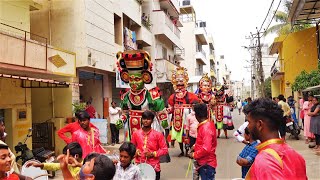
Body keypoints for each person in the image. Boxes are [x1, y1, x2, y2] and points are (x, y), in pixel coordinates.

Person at [243, 98, 307, 179]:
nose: (247, 126)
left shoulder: (265, 160)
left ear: (259, 124)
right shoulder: (295, 155)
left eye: (249, 122)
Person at [117, 50, 168, 141]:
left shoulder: (152, 94)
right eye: (131, 79)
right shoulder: (126, 96)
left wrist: (163, 120)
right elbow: (125, 113)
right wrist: (121, 120)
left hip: (149, 125)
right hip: (131, 126)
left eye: (137, 79)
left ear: (145, 78)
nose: (133, 83)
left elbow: (160, 111)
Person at [167, 67, 199, 157]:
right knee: (179, 136)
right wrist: (168, 111)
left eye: (182, 84)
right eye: (178, 84)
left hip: (187, 118)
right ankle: (182, 150)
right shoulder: (172, 97)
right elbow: (171, 107)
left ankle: (188, 149)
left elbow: (196, 105)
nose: (180, 86)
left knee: (187, 134)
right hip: (177, 119)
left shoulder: (192, 96)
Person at [131, 110, 168, 180]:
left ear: (152, 121)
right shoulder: (136, 133)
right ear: (141, 120)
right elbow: (132, 147)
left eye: (148, 119)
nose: (146, 121)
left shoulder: (158, 134)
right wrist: (136, 151)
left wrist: (153, 154)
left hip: (154, 166)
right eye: (144, 118)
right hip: (139, 165)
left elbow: (164, 150)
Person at [189, 103, 217, 180]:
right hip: (203, 163)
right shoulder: (207, 124)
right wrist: (195, 146)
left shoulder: (205, 128)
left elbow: (206, 148)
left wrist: (194, 155)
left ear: (196, 115)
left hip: (206, 164)